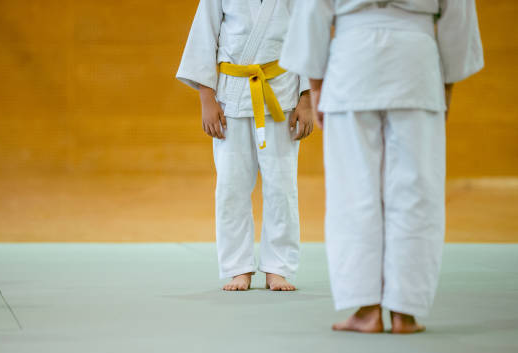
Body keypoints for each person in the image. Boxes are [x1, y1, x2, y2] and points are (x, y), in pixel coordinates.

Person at [280, 0, 484, 332]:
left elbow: (314, 9)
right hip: (416, 63)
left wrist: (316, 87)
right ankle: (405, 311)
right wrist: (445, 87)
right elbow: (458, 13)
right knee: (416, 190)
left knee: (354, 189)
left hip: (353, 61)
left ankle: (366, 310)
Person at [177, 0, 314, 291]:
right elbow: (204, 37)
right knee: (231, 186)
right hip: (232, 96)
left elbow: (306, 38)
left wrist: (306, 98)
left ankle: (277, 267)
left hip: (282, 96)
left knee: (282, 186)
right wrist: (207, 99)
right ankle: (238, 267)